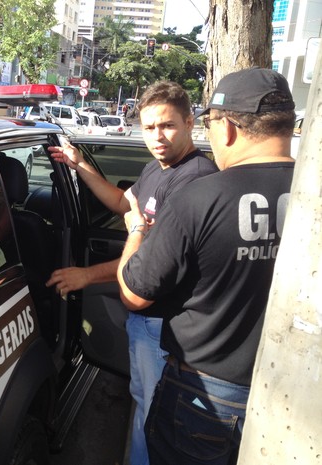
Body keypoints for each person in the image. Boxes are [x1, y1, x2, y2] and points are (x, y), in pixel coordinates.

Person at [116, 67, 296, 465]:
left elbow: (134, 293)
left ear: (227, 128)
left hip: (206, 396)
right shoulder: (310, 197)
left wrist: (135, 231)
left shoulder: (199, 198)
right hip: (294, 393)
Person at [47, 81, 218, 465]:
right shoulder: (157, 169)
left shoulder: (194, 179)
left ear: (191, 123)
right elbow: (122, 203)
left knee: (154, 416)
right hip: (149, 321)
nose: (157, 136)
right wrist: (81, 167)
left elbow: (150, 257)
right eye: (149, 127)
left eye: (168, 125)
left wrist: (87, 275)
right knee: (143, 404)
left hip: (165, 322)